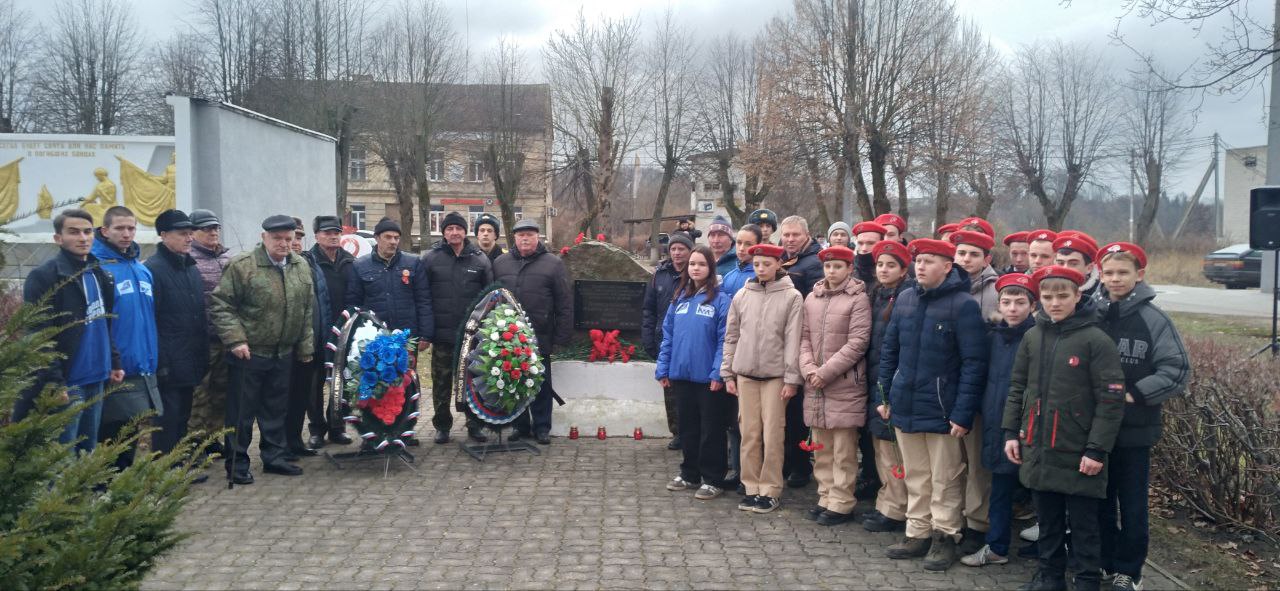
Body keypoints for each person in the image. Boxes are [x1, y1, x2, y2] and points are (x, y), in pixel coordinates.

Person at [1002, 265, 1125, 591]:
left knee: (1085, 527)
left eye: (1062, 296)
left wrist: (1097, 449)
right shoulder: (1032, 336)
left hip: (1079, 451)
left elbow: (1111, 400)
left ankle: (1086, 582)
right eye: (1047, 296)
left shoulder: (1096, 340)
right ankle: (1050, 578)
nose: (1054, 303)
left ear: (1078, 296)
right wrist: (1011, 433)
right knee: (1049, 523)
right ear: (1038, 299)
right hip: (1038, 448)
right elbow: (1017, 388)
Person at [878, 238, 989, 571]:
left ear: (947, 266)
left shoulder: (963, 304)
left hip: (943, 408)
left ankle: (945, 536)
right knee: (915, 474)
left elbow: (974, 363)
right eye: (919, 261)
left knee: (945, 478)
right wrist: (884, 396)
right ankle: (917, 532)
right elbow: (889, 351)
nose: (921, 266)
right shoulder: (907, 299)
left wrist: (962, 412)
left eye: (929, 261)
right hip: (905, 403)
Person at [1094, 242, 1189, 591]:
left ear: (1140, 275)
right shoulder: (1092, 312)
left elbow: (1176, 369)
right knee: (1098, 499)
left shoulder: (1154, 319)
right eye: (1109, 273)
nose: (1115, 279)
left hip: (1134, 429)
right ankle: (1103, 560)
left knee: (1131, 505)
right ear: (1099, 275)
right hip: (1093, 429)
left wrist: (1135, 394)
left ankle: (1128, 570)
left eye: (1123, 273)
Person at [209, 215, 316, 484]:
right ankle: (237, 464)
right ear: (264, 238)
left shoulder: (300, 266)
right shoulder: (243, 266)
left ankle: (274, 457)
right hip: (249, 353)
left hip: (283, 352)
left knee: (276, 409)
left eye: (288, 239)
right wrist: (235, 340)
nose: (283, 244)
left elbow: (306, 310)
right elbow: (221, 305)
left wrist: (305, 346)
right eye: (277, 238)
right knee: (241, 413)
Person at [15, 209, 122, 453]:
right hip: (69, 382)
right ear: (58, 238)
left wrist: (114, 361)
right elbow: (39, 334)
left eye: (87, 232)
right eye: (74, 232)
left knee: (87, 450)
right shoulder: (45, 276)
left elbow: (104, 321)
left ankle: (84, 493)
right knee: (62, 456)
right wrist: (54, 382)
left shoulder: (99, 273)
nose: (83, 238)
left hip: (96, 376)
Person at [961, 273, 1037, 568]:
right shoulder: (993, 336)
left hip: (1026, 426)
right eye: (1007, 302)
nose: (1013, 308)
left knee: (1038, 491)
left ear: (1032, 306)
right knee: (1000, 487)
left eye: (1020, 302)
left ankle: (1049, 549)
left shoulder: (1036, 337)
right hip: (995, 422)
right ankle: (997, 545)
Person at [720, 243, 803, 514]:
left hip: (775, 375)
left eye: (767, 264)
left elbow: (793, 339)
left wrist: (792, 378)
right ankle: (751, 485)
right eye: (757, 264)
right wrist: (727, 372)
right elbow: (731, 336)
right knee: (749, 433)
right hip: (745, 374)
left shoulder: (792, 297)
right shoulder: (743, 295)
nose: (761, 269)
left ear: (778, 264)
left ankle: (770, 489)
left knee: (773, 434)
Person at [799, 245, 872, 526]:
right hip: (815, 383)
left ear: (849, 268)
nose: (832, 271)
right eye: (828, 267)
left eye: (838, 266)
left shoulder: (858, 299)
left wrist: (826, 372)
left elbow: (858, 343)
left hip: (843, 384)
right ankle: (825, 495)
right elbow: (803, 337)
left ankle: (842, 501)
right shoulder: (812, 298)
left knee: (843, 450)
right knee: (821, 448)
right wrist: (808, 368)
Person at [657, 245, 732, 500]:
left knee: (711, 429)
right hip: (681, 376)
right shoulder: (680, 299)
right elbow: (668, 335)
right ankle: (690, 473)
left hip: (708, 379)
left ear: (711, 268)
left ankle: (713, 478)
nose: (695, 268)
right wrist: (663, 368)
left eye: (701, 264)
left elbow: (725, 340)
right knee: (688, 428)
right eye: (692, 264)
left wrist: (717, 374)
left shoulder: (722, 300)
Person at [92, 206, 161, 471]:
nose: (126, 234)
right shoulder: (98, 268)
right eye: (119, 228)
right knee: (110, 441)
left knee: (129, 438)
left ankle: (120, 499)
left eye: (131, 228)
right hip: (114, 369)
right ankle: (103, 493)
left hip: (141, 366)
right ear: (105, 230)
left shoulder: (141, 269)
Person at [493, 219, 573, 444]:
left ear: (538, 237)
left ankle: (542, 426)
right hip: (508, 336)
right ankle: (520, 426)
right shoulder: (500, 263)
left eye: (529, 234)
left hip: (540, 334)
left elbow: (564, 303)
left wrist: (561, 337)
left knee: (540, 383)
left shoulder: (553, 264)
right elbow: (492, 298)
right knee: (513, 381)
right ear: (514, 238)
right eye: (520, 235)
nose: (525, 239)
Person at [423, 212, 494, 444]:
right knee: (441, 383)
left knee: (472, 382)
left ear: (465, 232)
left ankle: (475, 424)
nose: (454, 232)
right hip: (442, 334)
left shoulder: (479, 259)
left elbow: (489, 298)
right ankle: (442, 425)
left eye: (459, 228)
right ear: (443, 232)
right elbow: (423, 297)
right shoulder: (431, 258)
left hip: (471, 336)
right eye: (449, 228)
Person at [145, 210, 210, 458]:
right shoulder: (153, 270)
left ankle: (182, 461)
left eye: (190, 233)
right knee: (167, 419)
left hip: (190, 357)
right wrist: (161, 362)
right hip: (169, 362)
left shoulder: (190, 268)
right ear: (163, 235)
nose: (189, 238)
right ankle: (166, 466)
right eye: (182, 234)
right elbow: (153, 320)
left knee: (183, 415)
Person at [344, 217, 434, 389]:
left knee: (407, 380)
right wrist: (356, 334)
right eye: (388, 237)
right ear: (377, 238)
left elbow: (423, 300)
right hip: (375, 337)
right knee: (379, 382)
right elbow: (353, 304)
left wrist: (426, 335)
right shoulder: (360, 266)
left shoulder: (413, 263)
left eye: (396, 238)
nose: (393, 242)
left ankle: (409, 415)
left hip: (407, 337)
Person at [861, 240, 912, 534]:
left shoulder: (904, 297)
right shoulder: (879, 294)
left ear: (904, 269)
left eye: (891, 265)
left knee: (893, 450)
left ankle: (896, 508)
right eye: (880, 264)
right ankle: (888, 502)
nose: (883, 270)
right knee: (881, 447)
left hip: (891, 381)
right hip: (876, 377)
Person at [301, 215, 356, 449]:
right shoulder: (307, 261)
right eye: (327, 233)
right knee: (314, 385)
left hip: (343, 332)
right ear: (317, 236)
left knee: (341, 382)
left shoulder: (349, 261)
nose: (333, 236)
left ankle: (337, 427)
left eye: (336, 232)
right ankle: (316, 429)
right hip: (317, 331)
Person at [779, 215, 824, 488]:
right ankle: (787, 461)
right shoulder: (783, 258)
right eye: (786, 235)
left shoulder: (816, 262)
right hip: (782, 340)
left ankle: (799, 465)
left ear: (807, 235)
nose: (790, 240)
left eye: (795, 235)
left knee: (797, 412)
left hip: (802, 340)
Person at [285, 218, 330, 460]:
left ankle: (295, 441)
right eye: (292, 237)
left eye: (300, 237)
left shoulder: (310, 264)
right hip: (285, 347)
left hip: (311, 343)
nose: (295, 242)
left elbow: (322, 303)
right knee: (283, 398)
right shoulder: (277, 266)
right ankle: (279, 446)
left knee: (303, 396)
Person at [644, 231, 692, 449]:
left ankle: (691, 431)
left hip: (689, 341)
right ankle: (678, 432)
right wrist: (648, 337)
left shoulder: (695, 273)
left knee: (688, 390)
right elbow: (649, 309)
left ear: (689, 251)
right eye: (673, 249)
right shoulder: (659, 274)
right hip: (664, 339)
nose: (676, 253)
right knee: (669, 388)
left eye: (681, 248)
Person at [189, 209, 231, 452]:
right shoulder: (189, 259)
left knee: (221, 391)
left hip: (225, 338)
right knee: (200, 393)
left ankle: (213, 438)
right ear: (193, 233)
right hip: (201, 339)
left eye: (215, 228)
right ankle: (194, 441)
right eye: (206, 228)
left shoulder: (227, 259)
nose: (212, 232)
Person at [949, 230, 1000, 322]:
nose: (966, 259)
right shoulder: (940, 285)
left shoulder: (998, 291)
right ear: (953, 256)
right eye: (961, 253)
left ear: (986, 261)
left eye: (974, 255)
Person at [1053, 233, 1101, 299]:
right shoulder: (1045, 290)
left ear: (1089, 268)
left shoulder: (1102, 296)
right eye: (1061, 263)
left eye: (1073, 264)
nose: (1065, 269)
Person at [720, 224, 760, 298]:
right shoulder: (728, 276)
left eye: (748, 244)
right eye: (739, 242)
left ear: (758, 246)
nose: (741, 248)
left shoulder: (761, 277)